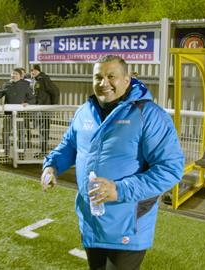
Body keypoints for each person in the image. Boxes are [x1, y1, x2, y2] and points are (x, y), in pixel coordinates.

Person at [40, 55, 184, 270]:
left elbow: (170, 169)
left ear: (127, 80)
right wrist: (52, 166)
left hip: (128, 223)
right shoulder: (84, 112)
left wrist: (121, 189)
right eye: (98, 77)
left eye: (111, 77)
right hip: (92, 220)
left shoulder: (150, 115)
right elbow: (69, 146)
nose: (104, 83)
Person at [0, 68, 35, 157]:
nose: (13, 75)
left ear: (20, 76)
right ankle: (6, 152)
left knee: (21, 134)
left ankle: (21, 153)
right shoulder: (6, 85)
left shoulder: (26, 85)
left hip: (20, 114)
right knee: (6, 133)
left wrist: (28, 103)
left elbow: (33, 98)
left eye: (16, 74)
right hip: (8, 114)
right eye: (12, 74)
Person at [31, 64, 60, 156]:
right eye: (31, 71)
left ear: (37, 71)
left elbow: (55, 91)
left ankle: (43, 151)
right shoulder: (38, 80)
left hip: (45, 109)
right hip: (41, 108)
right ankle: (42, 151)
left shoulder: (43, 79)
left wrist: (52, 105)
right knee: (42, 130)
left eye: (34, 71)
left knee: (44, 130)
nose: (32, 73)